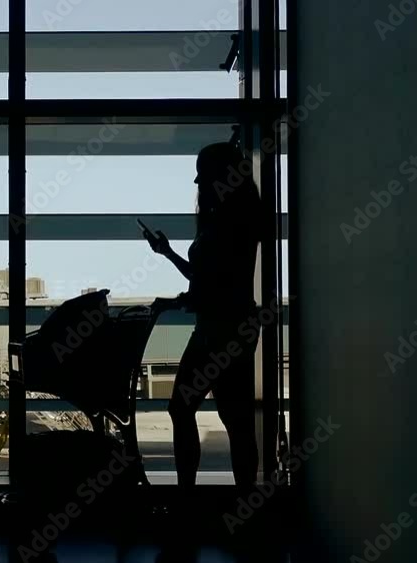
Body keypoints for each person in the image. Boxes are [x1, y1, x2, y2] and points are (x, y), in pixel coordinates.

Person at [144, 142, 263, 498]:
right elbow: (209, 278)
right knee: (234, 421)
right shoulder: (235, 218)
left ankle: (187, 499)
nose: (197, 184)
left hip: (218, 331)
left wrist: (177, 300)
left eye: (202, 176)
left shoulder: (224, 222)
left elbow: (207, 284)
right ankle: (244, 503)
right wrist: (168, 255)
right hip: (229, 329)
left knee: (185, 410)